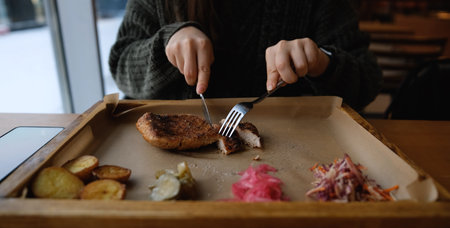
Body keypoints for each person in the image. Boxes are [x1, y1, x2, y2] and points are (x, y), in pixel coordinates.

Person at [109, 0, 382, 111]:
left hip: (290, 157)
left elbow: (367, 81)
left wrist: (323, 61)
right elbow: (121, 65)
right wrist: (164, 45)